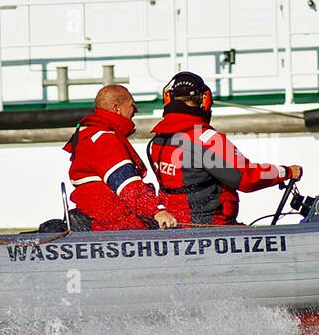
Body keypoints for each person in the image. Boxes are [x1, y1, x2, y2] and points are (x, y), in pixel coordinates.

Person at [148, 72, 302, 225]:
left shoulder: (157, 140)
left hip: (175, 229)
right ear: (205, 100)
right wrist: (285, 172)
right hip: (213, 230)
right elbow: (246, 178)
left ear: (168, 99)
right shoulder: (207, 139)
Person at [64, 85, 179, 231]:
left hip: (105, 224)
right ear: (116, 108)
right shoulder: (104, 140)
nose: (135, 110)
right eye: (131, 105)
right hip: (110, 230)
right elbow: (127, 185)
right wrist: (157, 211)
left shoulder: (92, 136)